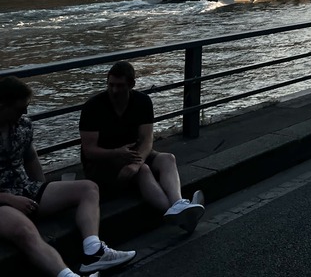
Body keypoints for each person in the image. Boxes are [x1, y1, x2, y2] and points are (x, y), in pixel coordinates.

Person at [0, 76, 136, 277]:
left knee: (88, 188)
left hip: (24, 187)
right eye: (20, 108)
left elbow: (30, 158)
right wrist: (9, 199)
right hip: (2, 200)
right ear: (2, 105)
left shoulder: (23, 125)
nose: (26, 113)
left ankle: (93, 252)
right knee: (25, 231)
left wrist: (42, 189)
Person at [79, 62, 205, 233]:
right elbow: (89, 151)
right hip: (102, 162)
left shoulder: (142, 102)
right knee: (144, 170)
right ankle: (180, 215)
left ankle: (178, 204)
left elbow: (146, 141)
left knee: (167, 158)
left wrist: (134, 164)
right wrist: (118, 153)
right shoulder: (93, 107)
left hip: (132, 154)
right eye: (111, 85)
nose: (114, 90)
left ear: (131, 85)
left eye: (120, 86)